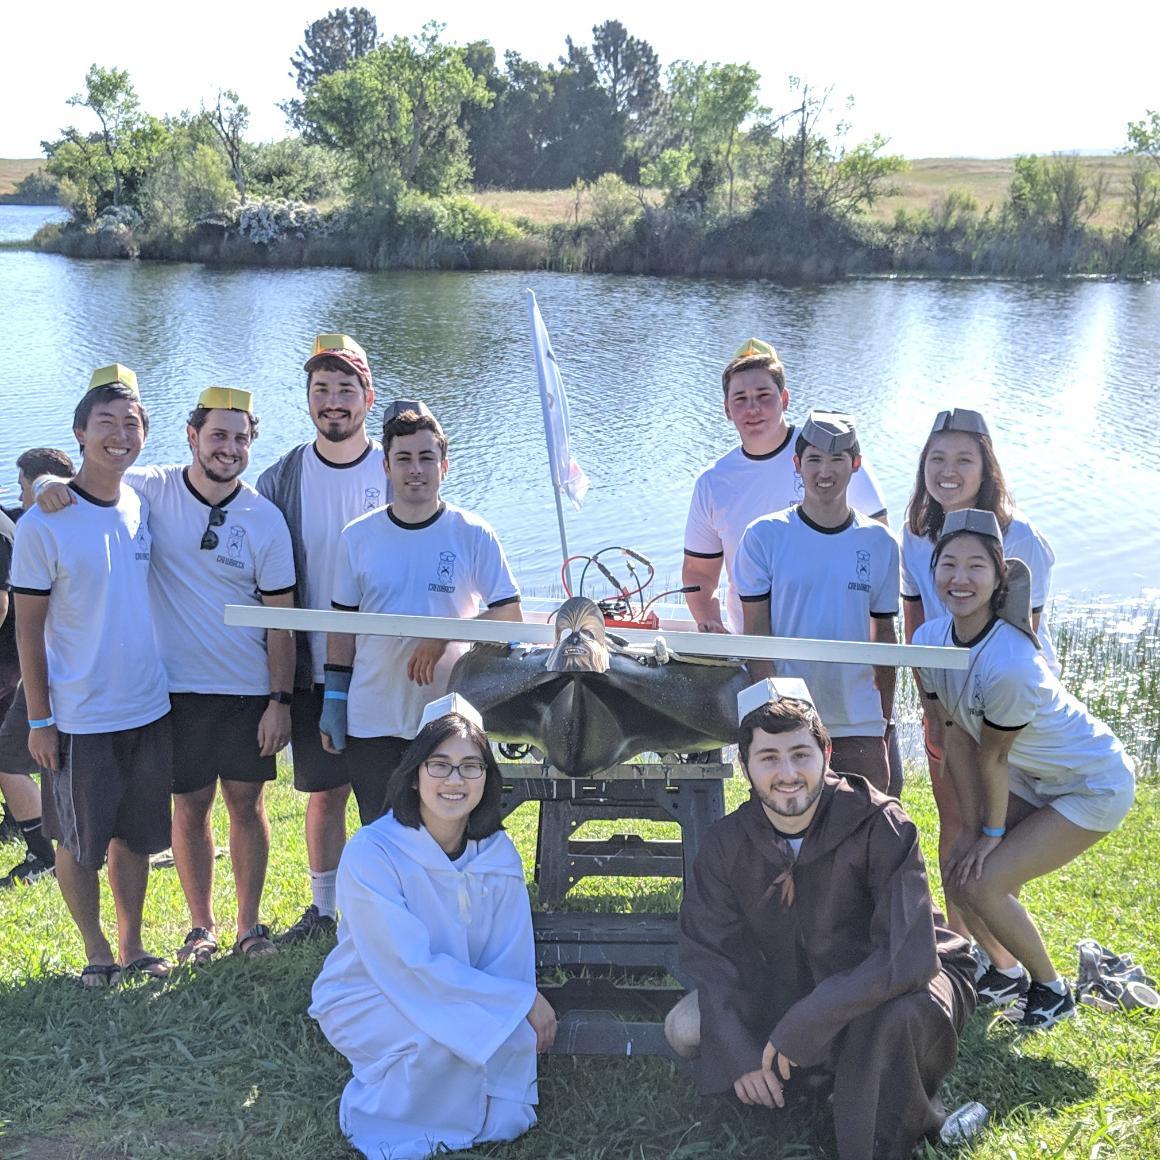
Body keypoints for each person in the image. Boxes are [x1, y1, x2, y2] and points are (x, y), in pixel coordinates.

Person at [34, 386, 297, 961]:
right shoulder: (149, 488)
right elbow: (95, 478)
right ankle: (200, 927)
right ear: (192, 436)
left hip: (245, 689)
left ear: (251, 443)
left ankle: (248, 928)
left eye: (240, 438)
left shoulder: (264, 518)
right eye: (218, 435)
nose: (228, 448)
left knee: (247, 805)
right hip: (172, 690)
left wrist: (280, 698)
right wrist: (46, 484)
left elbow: (282, 621)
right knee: (190, 806)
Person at [665, 679, 976, 1160]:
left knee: (895, 1018)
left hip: (892, 979)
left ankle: (886, 1116)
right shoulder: (726, 844)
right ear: (745, 766)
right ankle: (800, 1075)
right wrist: (740, 1056)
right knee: (686, 1027)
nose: (787, 774)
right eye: (768, 758)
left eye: (800, 754)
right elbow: (711, 955)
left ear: (826, 753)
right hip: (787, 982)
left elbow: (907, 954)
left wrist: (812, 1017)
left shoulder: (880, 823)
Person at [913, 509, 1135, 1028]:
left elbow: (993, 756)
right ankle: (1004, 972)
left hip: (1092, 784)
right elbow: (954, 734)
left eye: (976, 567)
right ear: (934, 571)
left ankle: (1051, 990)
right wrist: (968, 830)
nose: (960, 578)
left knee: (984, 881)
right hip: (1032, 775)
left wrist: (989, 834)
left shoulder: (1011, 663)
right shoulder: (927, 640)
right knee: (958, 868)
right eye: (949, 564)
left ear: (999, 579)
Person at [309, 694, 556, 1160]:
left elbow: (509, 952)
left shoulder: (497, 854)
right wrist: (517, 1001)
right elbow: (403, 962)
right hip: (371, 991)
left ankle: (460, 1104)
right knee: (436, 1039)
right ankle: (380, 1117)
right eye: (439, 765)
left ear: (487, 776)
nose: (454, 780)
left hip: (468, 990)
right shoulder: (374, 852)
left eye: (470, 766)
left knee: (503, 1076)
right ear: (415, 773)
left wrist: (509, 1004)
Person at [11, 365, 173, 986]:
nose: (119, 435)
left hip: (148, 706)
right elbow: (29, 630)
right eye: (104, 423)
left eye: (130, 424)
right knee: (78, 842)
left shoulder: (140, 502)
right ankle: (96, 950)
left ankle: (131, 946)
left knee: (135, 838)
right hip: (79, 716)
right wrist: (40, 719)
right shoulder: (43, 522)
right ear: (79, 433)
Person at [322, 408, 522, 823]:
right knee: (382, 834)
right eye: (404, 459)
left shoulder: (471, 533)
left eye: (426, 458)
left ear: (444, 466)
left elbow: (510, 615)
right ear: (386, 467)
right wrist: (335, 699)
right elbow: (341, 626)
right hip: (373, 715)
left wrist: (446, 635)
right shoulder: (357, 537)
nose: (416, 470)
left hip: (448, 716)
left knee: (447, 834)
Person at [257, 333, 390, 944]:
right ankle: (325, 910)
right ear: (308, 399)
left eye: (345, 389)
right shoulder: (280, 478)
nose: (332, 401)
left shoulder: (396, 469)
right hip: (313, 668)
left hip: (387, 667)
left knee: (393, 792)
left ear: (367, 396)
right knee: (325, 791)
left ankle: (393, 906)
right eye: (321, 390)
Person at [902, 408, 1057, 931]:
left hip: (1004, 705)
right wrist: (929, 704)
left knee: (998, 824)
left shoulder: (1020, 538)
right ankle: (961, 941)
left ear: (987, 468)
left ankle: (999, 935)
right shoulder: (917, 535)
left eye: (964, 459)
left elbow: (1022, 636)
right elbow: (915, 618)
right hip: (947, 702)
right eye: (937, 458)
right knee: (955, 819)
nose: (949, 470)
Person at [733, 412, 900, 791]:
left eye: (838, 460)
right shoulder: (764, 536)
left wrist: (885, 721)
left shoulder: (880, 543)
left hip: (858, 719)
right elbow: (756, 637)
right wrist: (774, 717)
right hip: (790, 719)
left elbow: (884, 639)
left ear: (855, 464)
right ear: (797, 464)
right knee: (789, 833)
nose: (825, 471)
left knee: (865, 829)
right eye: (814, 460)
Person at [682, 339, 888, 637]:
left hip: (833, 640)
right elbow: (699, 572)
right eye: (740, 398)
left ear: (785, 399)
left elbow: (878, 539)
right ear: (727, 409)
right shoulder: (712, 482)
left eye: (763, 395)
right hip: (753, 644)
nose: (752, 408)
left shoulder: (826, 452)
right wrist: (712, 624)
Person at [0, 448, 75, 887]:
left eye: (25, 484)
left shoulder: (35, 525)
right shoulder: (52, 522)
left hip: (37, 663)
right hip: (48, 663)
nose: (21, 493)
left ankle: (43, 853)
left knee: (10, 757)